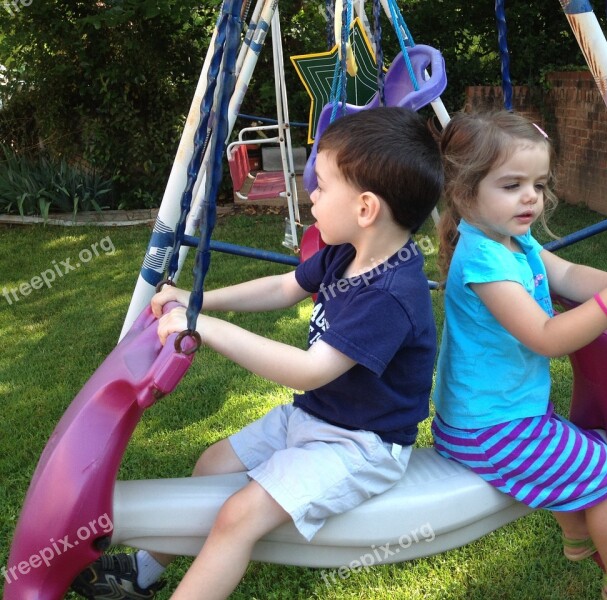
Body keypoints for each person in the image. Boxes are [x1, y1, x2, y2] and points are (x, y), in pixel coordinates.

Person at [71, 106, 443, 600]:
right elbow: (283, 288)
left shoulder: (389, 294)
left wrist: (207, 328)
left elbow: (312, 371)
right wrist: (197, 300)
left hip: (360, 446)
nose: (311, 194)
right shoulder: (346, 252)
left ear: (365, 208)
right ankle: (143, 574)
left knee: (237, 516)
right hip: (313, 417)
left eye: (323, 185)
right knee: (210, 466)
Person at [431, 110, 607, 600]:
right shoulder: (482, 260)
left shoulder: (513, 241)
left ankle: (576, 534)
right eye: (512, 184)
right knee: (606, 473)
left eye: (538, 184)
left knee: (584, 448)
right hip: (485, 429)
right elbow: (547, 337)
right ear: (463, 194)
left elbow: (565, 276)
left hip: (505, 411)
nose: (531, 197)